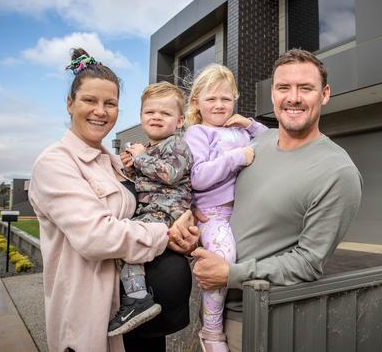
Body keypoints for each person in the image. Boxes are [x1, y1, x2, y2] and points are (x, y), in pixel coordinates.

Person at [191, 49, 363, 352]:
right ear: (273, 94)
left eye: (305, 88)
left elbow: (308, 263)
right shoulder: (257, 142)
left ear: (324, 94)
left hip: (264, 321)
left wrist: (231, 274)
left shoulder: (338, 172)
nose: (293, 98)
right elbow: (212, 189)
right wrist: (189, 215)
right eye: (284, 87)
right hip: (211, 312)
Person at [28, 48, 199, 352]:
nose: (100, 111)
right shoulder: (56, 163)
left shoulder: (117, 163)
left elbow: (160, 201)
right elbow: (97, 237)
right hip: (97, 318)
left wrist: (187, 233)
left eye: (110, 103)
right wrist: (167, 234)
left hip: (146, 323)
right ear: (70, 104)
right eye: (89, 101)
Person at [183, 64, 268, 351]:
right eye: (211, 99)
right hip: (215, 214)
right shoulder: (198, 133)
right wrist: (236, 158)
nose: (219, 105)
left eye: (226, 98)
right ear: (197, 103)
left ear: (235, 99)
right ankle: (212, 331)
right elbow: (198, 177)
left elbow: (269, 139)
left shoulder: (239, 130)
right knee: (223, 257)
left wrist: (249, 124)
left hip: (243, 212)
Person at [108, 81, 193, 337]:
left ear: (179, 121)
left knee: (128, 240)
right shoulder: (151, 148)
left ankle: (137, 299)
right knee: (127, 245)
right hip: (151, 211)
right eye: (150, 112)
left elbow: (170, 174)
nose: (156, 117)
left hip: (167, 212)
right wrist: (130, 166)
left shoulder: (177, 145)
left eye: (165, 113)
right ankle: (137, 297)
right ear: (141, 116)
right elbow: (145, 180)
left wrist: (140, 157)